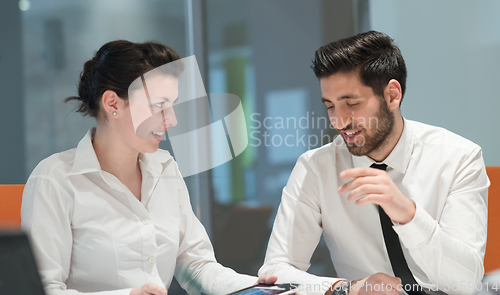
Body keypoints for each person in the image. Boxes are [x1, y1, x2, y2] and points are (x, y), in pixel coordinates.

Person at [21, 40, 276, 295]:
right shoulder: (54, 179)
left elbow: (196, 265)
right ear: (112, 104)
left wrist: (252, 287)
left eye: (172, 104)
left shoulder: (165, 168)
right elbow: (43, 290)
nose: (172, 119)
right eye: (159, 105)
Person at [258, 31, 489, 295]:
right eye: (330, 106)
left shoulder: (459, 157)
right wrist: (347, 288)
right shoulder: (316, 168)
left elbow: (467, 283)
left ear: (392, 95)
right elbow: (274, 271)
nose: (339, 121)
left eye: (351, 103)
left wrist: (407, 214)